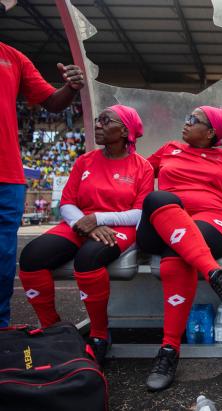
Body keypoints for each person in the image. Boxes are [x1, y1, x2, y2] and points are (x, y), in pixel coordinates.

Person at [19, 105, 153, 365]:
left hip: (118, 228)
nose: (98, 124)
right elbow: (67, 202)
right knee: (31, 257)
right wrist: (86, 221)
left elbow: (139, 214)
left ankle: (100, 335)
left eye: (106, 120)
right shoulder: (85, 161)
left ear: (125, 131)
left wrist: (98, 219)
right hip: (79, 223)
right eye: (97, 119)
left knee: (88, 260)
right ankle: (52, 328)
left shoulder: (142, 167)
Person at [137, 105, 222, 391]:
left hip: (215, 223)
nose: (185, 123)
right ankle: (215, 274)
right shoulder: (169, 149)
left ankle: (169, 351)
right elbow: (135, 172)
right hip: (164, 222)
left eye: (193, 120)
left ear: (211, 133)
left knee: (179, 251)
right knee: (158, 198)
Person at [0, 38, 84, 327]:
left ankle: (2, 330)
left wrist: (71, 88)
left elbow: (52, 103)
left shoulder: (13, 57)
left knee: (3, 260)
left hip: (7, 176)